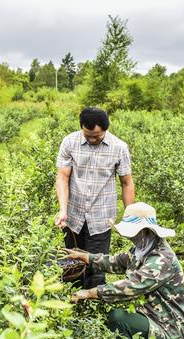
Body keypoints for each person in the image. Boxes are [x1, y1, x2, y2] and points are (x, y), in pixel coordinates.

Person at [67, 202, 184, 339]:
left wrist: (88, 293)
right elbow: (117, 262)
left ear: (146, 231)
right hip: (147, 314)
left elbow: (131, 287)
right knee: (109, 314)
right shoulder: (142, 248)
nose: (129, 237)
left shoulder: (160, 259)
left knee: (118, 319)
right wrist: (85, 257)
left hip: (168, 327)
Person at [55, 107, 135, 289]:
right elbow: (63, 177)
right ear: (82, 128)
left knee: (96, 266)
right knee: (71, 263)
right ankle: (73, 304)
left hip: (101, 217)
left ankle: (93, 308)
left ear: (105, 130)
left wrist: (130, 217)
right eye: (87, 135)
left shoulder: (119, 147)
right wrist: (63, 210)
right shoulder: (69, 142)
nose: (92, 139)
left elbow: (126, 183)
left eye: (97, 136)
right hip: (73, 215)